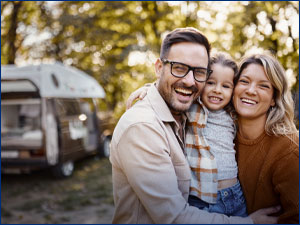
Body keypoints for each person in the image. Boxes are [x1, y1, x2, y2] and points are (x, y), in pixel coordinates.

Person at [110, 27, 279, 224]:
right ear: (158, 68)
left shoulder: (183, 111)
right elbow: (173, 217)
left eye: (199, 72)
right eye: (179, 68)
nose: (189, 81)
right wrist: (249, 223)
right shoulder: (142, 126)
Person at [126, 53, 248, 217]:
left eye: (226, 86)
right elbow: (168, 92)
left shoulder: (233, 113)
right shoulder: (191, 107)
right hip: (200, 199)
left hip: (234, 195)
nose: (217, 90)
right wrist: (148, 88)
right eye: (211, 83)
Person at [233, 53, 299, 224]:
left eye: (263, 86)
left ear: (273, 99)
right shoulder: (222, 137)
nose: (250, 90)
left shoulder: (288, 149)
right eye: (244, 81)